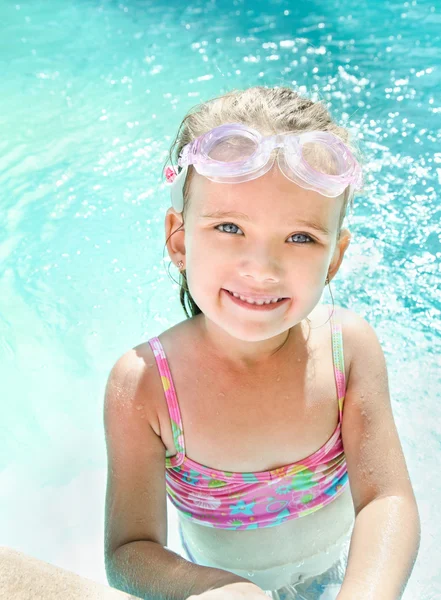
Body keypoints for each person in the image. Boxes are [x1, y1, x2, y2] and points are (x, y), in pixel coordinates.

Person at [103, 86, 420, 600]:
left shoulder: (348, 352)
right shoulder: (145, 386)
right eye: (229, 227)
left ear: (334, 259)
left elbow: (389, 500)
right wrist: (222, 590)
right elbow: (129, 552)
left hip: (341, 574)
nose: (261, 268)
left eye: (300, 238)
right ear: (180, 241)